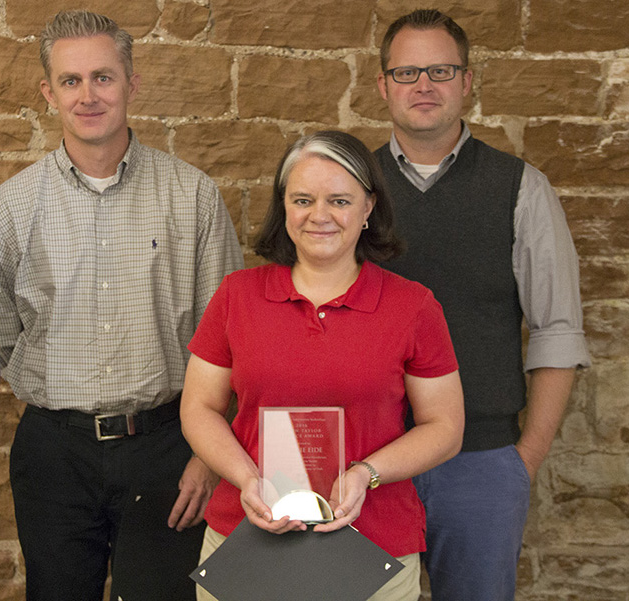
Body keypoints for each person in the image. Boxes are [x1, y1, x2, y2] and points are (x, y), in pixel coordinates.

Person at [0, 10, 243, 601]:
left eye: (103, 77)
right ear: (48, 92)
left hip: (169, 447)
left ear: (131, 83)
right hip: (54, 454)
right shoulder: (9, 209)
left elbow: (225, 340)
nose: (87, 95)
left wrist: (209, 458)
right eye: (70, 81)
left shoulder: (191, 196)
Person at [181, 130, 465, 601]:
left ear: (369, 207)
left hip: (374, 544)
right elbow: (199, 409)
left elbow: (445, 427)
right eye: (303, 199)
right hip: (248, 537)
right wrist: (247, 480)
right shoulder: (237, 296)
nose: (319, 216)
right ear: (284, 206)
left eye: (339, 200)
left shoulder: (413, 307)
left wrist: (364, 474)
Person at [374, 9, 592, 600]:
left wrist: (524, 460)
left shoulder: (521, 188)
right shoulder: (350, 188)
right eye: (407, 71)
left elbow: (557, 332)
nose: (424, 85)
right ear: (383, 85)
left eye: (441, 70)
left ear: (468, 81)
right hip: (366, 462)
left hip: (481, 461)